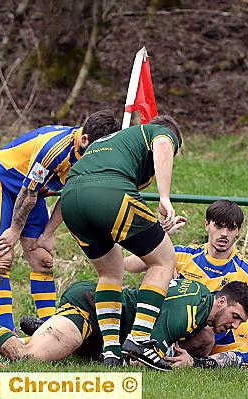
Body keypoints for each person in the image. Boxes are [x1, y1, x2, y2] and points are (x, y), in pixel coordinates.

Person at [0, 111, 121, 332]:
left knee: (43, 259)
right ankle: (6, 333)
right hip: (3, 182)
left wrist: (48, 232)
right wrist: (15, 230)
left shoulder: (98, 153)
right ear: (84, 140)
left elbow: (69, 195)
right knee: (2, 258)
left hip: (34, 195)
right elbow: (28, 191)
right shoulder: (54, 148)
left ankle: (48, 329)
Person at [59, 115, 182, 366]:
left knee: (111, 273)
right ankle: (139, 339)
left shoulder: (110, 143)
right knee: (164, 261)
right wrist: (165, 197)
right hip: (108, 192)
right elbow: (163, 145)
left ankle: (111, 352)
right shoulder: (159, 132)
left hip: (70, 199)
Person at [0, 279, 248, 369]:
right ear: (221, 302)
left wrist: (192, 359)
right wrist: (172, 362)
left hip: (106, 332)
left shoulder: (199, 298)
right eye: (235, 318)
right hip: (92, 308)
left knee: (206, 340)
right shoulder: (188, 312)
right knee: (28, 357)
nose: (233, 326)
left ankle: (43, 329)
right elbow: (141, 358)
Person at [124, 200, 248, 371]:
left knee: (206, 335)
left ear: (238, 231)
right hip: (164, 325)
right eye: (219, 226)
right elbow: (128, 265)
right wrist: (161, 240)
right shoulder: (184, 255)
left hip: (207, 342)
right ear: (207, 225)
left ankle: (177, 358)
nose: (224, 234)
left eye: (230, 228)